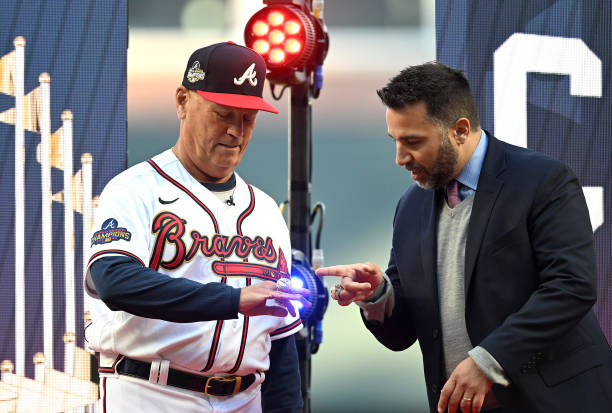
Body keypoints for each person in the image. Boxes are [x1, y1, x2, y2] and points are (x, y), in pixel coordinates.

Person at [316, 62, 612, 413]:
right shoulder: (410, 205)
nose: (399, 158)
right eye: (395, 141)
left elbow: (571, 287)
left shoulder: (544, 180)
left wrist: (488, 362)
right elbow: (401, 335)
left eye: (412, 141)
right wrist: (378, 295)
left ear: (459, 129)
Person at [84, 42, 310, 413]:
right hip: (152, 392)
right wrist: (232, 301)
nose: (236, 131)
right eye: (223, 113)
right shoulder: (134, 189)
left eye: (248, 118)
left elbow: (281, 342)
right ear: (183, 101)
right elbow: (114, 279)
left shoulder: (267, 211)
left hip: (246, 399)